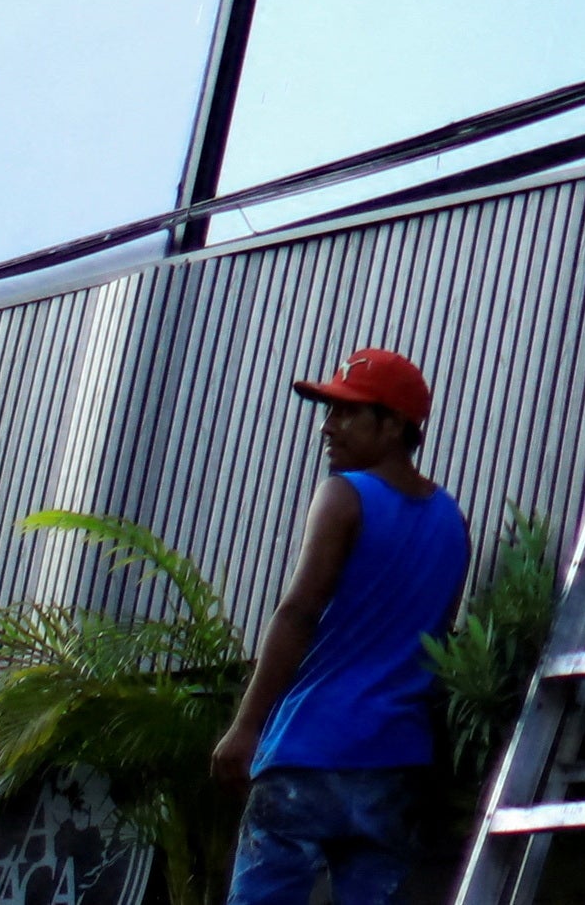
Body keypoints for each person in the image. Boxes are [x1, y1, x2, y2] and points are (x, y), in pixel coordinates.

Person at [214, 348, 478, 905]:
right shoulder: (452, 521)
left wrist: (244, 728)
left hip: (308, 753)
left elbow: (298, 612)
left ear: (396, 425)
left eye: (346, 413)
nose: (326, 427)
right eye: (328, 411)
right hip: (395, 765)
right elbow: (440, 646)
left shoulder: (344, 496)